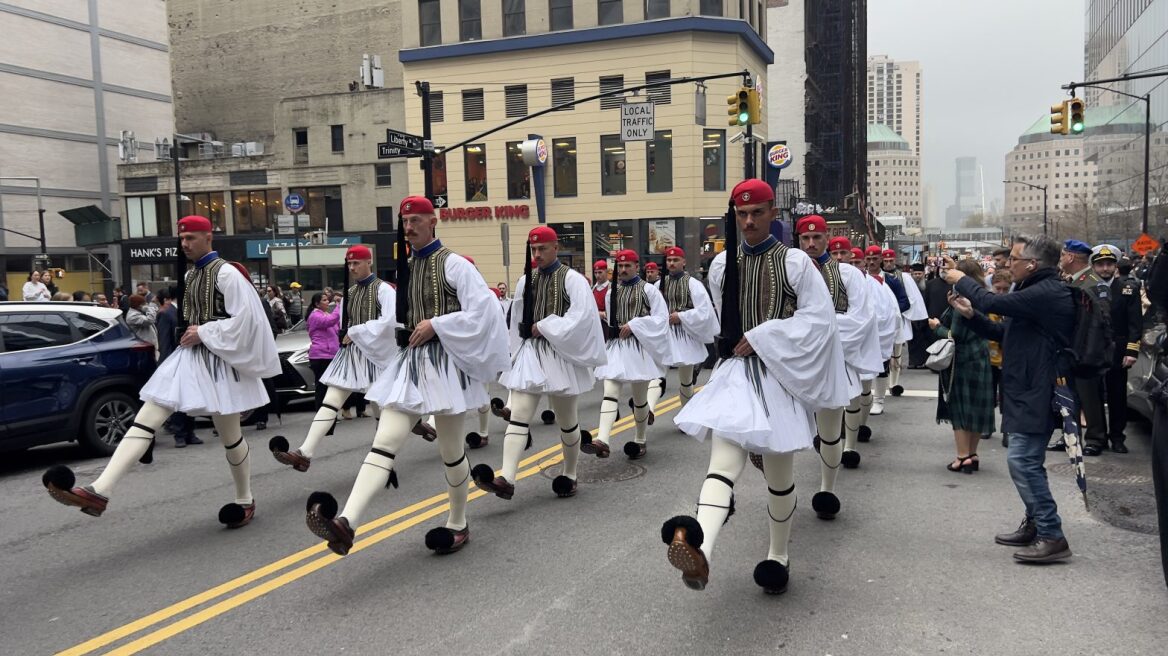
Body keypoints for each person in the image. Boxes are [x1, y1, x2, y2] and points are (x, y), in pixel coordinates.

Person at [661, 179, 850, 594]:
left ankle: (777, 555)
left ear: (772, 214)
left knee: (779, 480)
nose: (748, 221)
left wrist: (764, 337)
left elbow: (819, 322)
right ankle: (702, 551)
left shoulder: (796, 263)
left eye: (757, 213)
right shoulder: (719, 265)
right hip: (734, 376)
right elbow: (718, 318)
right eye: (741, 214)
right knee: (721, 464)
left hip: (777, 379)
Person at [43, 215, 280, 528]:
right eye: (182, 239)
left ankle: (244, 498)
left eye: (191, 238)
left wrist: (205, 333)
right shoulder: (193, 275)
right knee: (147, 417)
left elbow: (247, 320)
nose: (185, 244)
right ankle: (100, 490)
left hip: (220, 363)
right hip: (191, 358)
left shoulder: (226, 274)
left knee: (231, 437)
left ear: (209, 238)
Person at [304, 195, 509, 556]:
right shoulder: (407, 269)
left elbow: (484, 312)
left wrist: (438, 324)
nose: (409, 226)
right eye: (405, 220)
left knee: (451, 452)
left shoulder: (456, 265)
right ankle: (346, 523)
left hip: (446, 368)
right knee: (385, 441)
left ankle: (458, 522)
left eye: (416, 219)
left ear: (433, 222)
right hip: (412, 367)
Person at [940, 234, 1074, 563]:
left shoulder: (1046, 291)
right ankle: (1036, 524)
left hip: (1039, 388)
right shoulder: (1033, 290)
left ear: (1032, 264)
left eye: (1014, 259)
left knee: (1022, 461)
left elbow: (993, 302)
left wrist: (962, 280)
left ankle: (1052, 534)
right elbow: (1005, 333)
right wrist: (972, 315)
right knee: (1027, 463)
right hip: (1026, 386)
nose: (1007, 264)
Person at [471, 225, 606, 500]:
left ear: (555, 248)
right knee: (519, 414)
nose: (538, 254)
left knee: (567, 421)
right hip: (532, 353)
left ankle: (570, 473)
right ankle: (507, 478)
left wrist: (545, 326)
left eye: (542, 248)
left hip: (561, 354)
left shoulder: (573, 279)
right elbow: (517, 318)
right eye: (534, 249)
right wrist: (513, 352)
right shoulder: (525, 280)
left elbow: (582, 317)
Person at [270, 245, 406, 472]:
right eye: (350, 264)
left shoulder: (384, 290)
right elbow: (343, 325)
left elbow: (391, 321)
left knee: (380, 410)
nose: (352, 268)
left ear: (368, 262)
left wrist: (356, 332)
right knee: (330, 402)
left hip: (377, 356)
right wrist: (347, 336)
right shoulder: (349, 295)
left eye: (357, 263)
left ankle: (381, 461)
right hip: (352, 357)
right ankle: (304, 452)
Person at [582, 249, 670, 460]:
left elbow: (661, 319)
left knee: (639, 400)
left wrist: (635, 324)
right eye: (620, 266)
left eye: (626, 266)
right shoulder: (613, 291)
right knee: (610, 391)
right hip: (618, 347)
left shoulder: (649, 291)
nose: (622, 270)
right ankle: (602, 440)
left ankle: (640, 439)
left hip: (638, 349)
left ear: (636, 266)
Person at [928, 259, 995, 474]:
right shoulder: (983, 296)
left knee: (960, 409)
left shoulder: (962, 301)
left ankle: (962, 456)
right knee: (977, 409)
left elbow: (953, 336)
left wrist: (937, 326)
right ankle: (973, 454)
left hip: (962, 360)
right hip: (982, 357)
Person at [827, 236, 885, 471]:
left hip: (852, 343)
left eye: (843, 254)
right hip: (827, 347)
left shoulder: (862, 280)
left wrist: (833, 331)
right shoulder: (818, 275)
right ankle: (830, 439)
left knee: (854, 394)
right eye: (835, 254)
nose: (839, 258)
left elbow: (867, 314)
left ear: (851, 255)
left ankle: (850, 445)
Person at [643, 246, 718, 416]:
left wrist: (682, 316)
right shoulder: (657, 285)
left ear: (683, 262)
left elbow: (704, 311)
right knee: (658, 373)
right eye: (669, 260)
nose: (671, 263)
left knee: (686, 381)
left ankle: (687, 415)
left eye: (675, 260)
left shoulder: (694, 284)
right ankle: (649, 409)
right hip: (665, 335)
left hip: (685, 336)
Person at [1059, 239, 1109, 455]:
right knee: (1069, 397)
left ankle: (1096, 439)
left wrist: (1091, 352)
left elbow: (1102, 321)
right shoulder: (1075, 281)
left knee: (1089, 397)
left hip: (1087, 351)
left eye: (1062, 255)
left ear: (1070, 257)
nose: (1060, 259)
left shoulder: (1091, 283)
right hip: (1072, 349)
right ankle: (1070, 437)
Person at [1092, 246, 1141, 454]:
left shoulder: (1127, 289)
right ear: (1093, 266)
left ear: (1115, 266)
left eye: (1109, 264)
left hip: (1118, 349)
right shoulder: (1087, 288)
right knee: (1094, 396)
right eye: (1100, 264)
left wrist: (1131, 352)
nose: (1105, 268)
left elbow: (1135, 324)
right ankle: (1098, 437)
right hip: (1092, 349)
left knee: (1117, 395)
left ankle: (1117, 437)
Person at [156, 287, 201, 447]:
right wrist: (167, 364)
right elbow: (164, 341)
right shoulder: (166, 314)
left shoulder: (190, 312)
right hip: (174, 361)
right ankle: (179, 434)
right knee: (177, 400)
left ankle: (191, 432)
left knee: (191, 397)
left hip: (191, 360)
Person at [863, 246, 902, 416]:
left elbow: (903, 302)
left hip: (884, 328)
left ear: (881, 259)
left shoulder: (892, 281)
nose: (871, 262)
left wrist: (887, 314)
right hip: (863, 329)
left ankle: (879, 399)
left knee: (882, 364)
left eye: (875, 258)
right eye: (868, 259)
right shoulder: (858, 278)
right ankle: (864, 399)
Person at [305, 291, 341, 436]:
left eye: (327, 300)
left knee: (330, 388)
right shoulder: (315, 316)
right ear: (317, 304)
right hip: (320, 356)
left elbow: (336, 325)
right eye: (325, 300)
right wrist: (339, 305)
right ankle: (322, 418)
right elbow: (331, 321)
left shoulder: (325, 314)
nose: (328, 302)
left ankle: (329, 416)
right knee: (322, 388)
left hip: (330, 355)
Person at [988, 271, 1012, 447]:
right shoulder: (987, 303)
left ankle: (1007, 429)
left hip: (1008, 358)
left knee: (1006, 395)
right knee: (988, 392)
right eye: (998, 289)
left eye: (1006, 289)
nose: (1002, 292)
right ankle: (986, 425)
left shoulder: (1014, 304)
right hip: (989, 356)